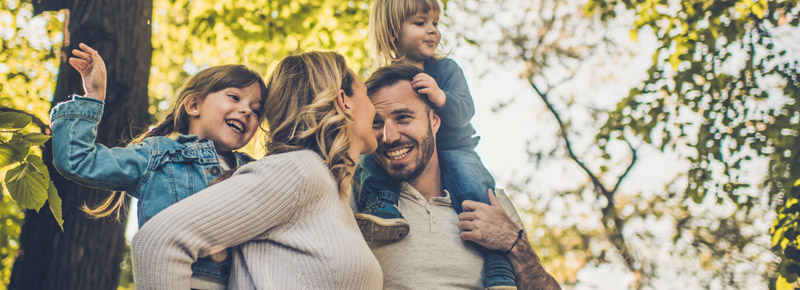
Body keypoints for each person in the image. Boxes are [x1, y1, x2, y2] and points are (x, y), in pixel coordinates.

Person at [131, 51, 383, 289]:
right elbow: (158, 241)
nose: (375, 108)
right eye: (365, 93)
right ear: (344, 101)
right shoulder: (299, 172)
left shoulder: (333, 193)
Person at [50, 43, 266, 290]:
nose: (246, 110)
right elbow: (77, 160)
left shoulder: (254, 171)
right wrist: (94, 96)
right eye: (235, 97)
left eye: (256, 110)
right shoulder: (158, 155)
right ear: (194, 105)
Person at [355, 0, 515, 288]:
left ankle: (497, 264)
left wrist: (441, 97)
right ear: (393, 32)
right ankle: (381, 206)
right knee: (368, 160)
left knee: (474, 187)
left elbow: (466, 110)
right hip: (401, 176)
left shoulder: (445, 70)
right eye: (420, 23)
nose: (432, 31)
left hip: (455, 148)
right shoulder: (383, 82)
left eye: (435, 24)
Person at [357, 64, 561, 290]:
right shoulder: (359, 205)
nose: (389, 136)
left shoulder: (490, 202)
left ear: (434, 121)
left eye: (403, 118)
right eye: (376, 123)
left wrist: (514, 242)